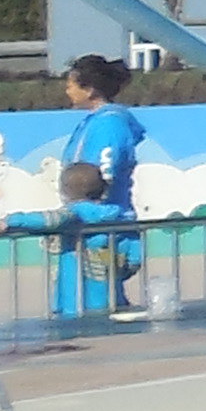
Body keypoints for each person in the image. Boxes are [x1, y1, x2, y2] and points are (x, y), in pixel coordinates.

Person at [50, 53, 148, 322]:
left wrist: (90, 206)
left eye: (71, 84)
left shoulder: (109, 123)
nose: (66, 89)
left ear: (89, 89)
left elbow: (106, 170)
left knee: (98, 300)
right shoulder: (93, 121)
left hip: (100, 227)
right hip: (86, 223)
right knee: (78, 294)